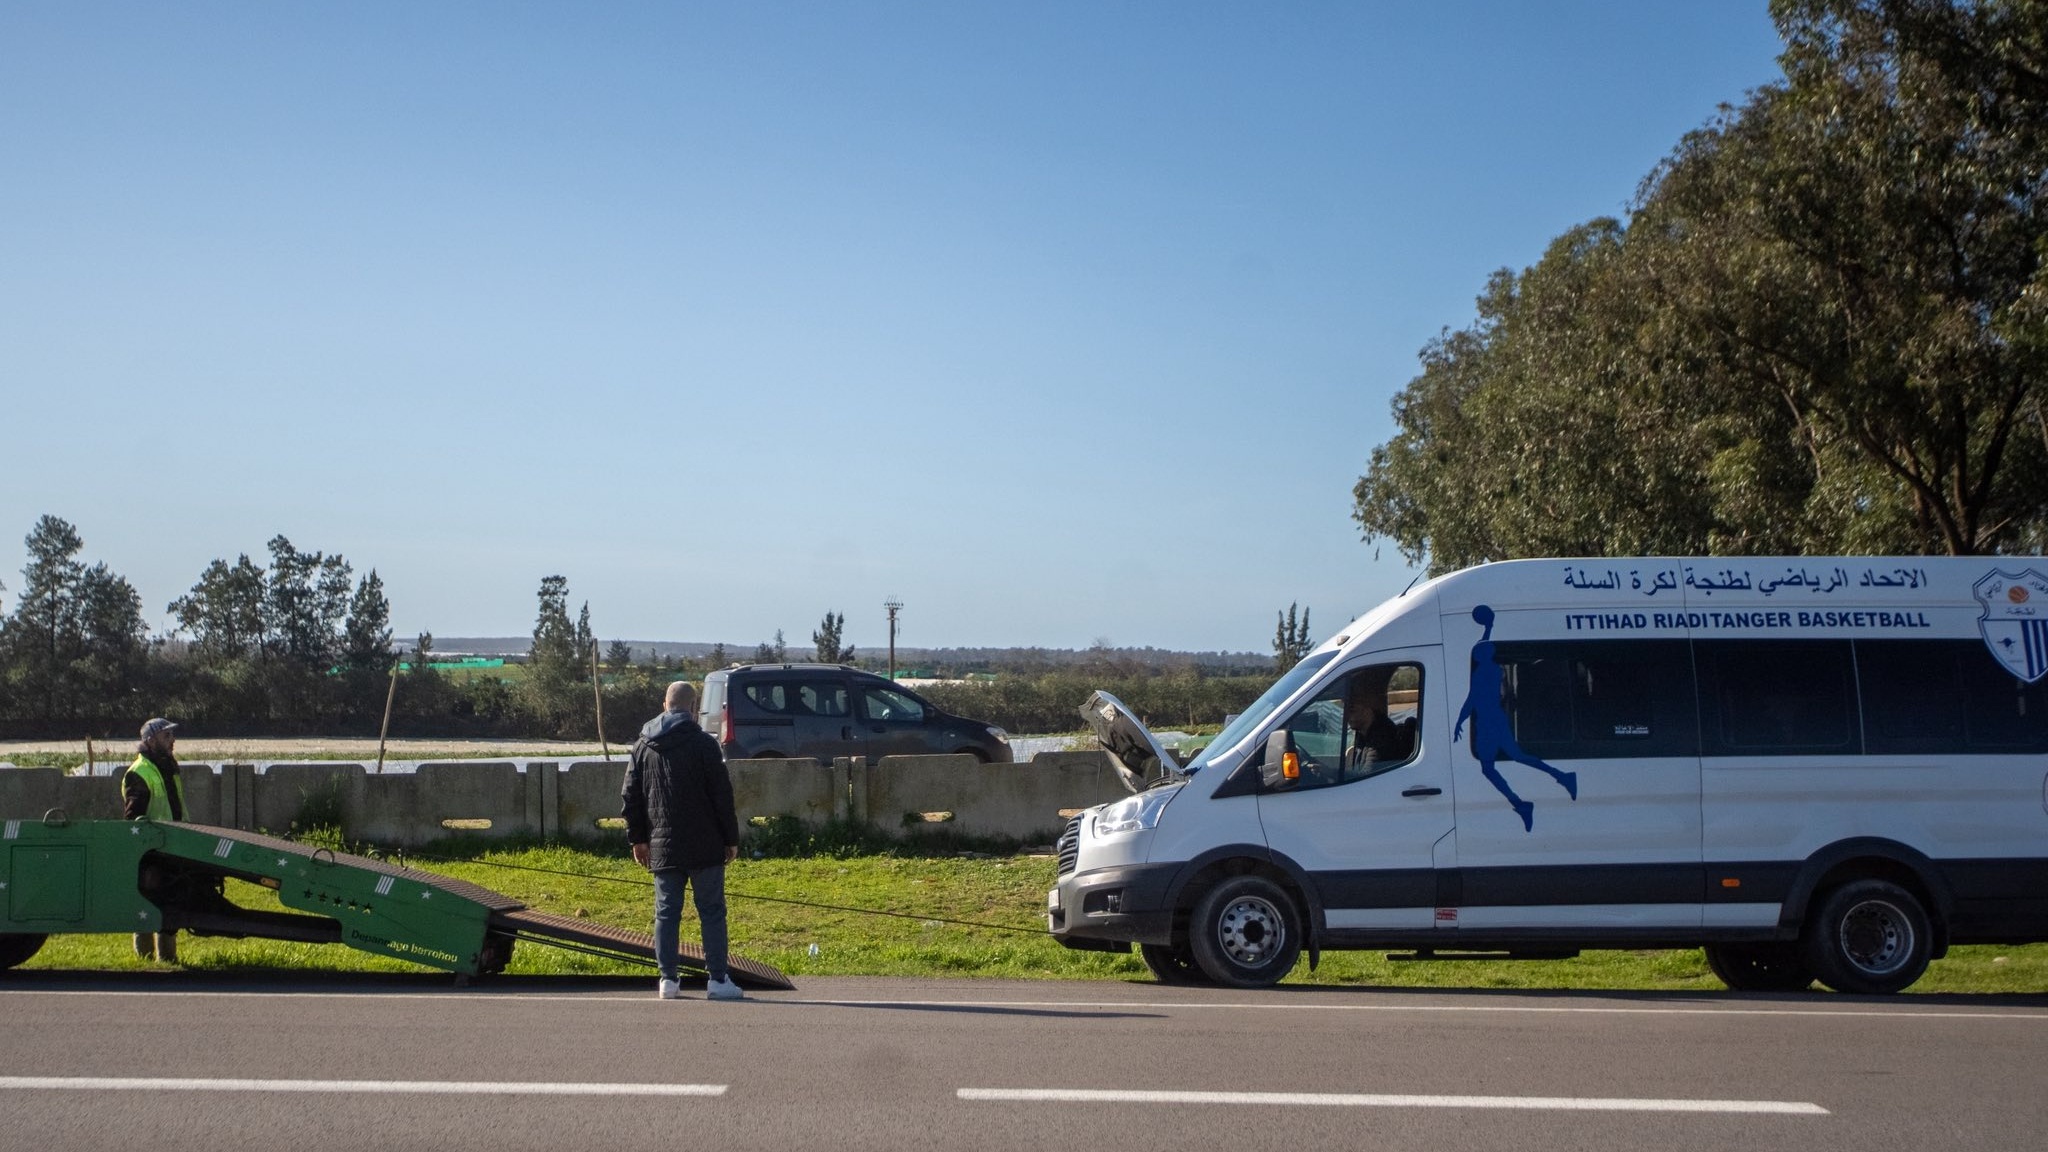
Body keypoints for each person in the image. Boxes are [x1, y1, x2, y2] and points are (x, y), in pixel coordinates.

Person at [622, 681, 743, 1001]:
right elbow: (722, 796)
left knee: (666, 913)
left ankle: (668, 981)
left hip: (662, 844)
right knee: (712, 912)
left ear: (665, 704)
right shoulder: (706, 745)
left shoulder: (643, 745)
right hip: (706, 843)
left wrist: (638, 839)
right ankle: (717, 980)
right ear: (694, 707)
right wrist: (730, 838)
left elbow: (630, 797)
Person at [122, 717, 187, 962]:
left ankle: (168, 958)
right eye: (166, 736)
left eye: (172, 735)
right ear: (150, 740)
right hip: (151, 850)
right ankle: (144, 958)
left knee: (170, 900)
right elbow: (134, 818)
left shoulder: (169, 766)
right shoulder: (139, 772)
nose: (173, 740)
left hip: (174, 843)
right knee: (148, 898)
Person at [1345, 678, 1417, 773]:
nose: (1347, 716)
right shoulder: (1363, 735)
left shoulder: (1381, 740)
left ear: (1367, 710)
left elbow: (1365, 778)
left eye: (1352, 711)